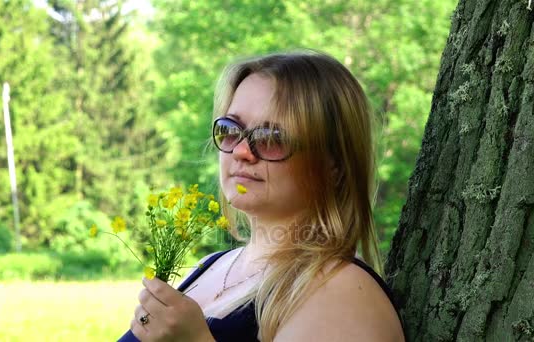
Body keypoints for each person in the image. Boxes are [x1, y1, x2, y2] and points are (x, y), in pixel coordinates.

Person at [118, 50, 405, 342]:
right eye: (231, 130)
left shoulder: (343, 293)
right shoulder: (208, 267)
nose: (241, 151)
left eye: (272, 138)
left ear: (333, 164)